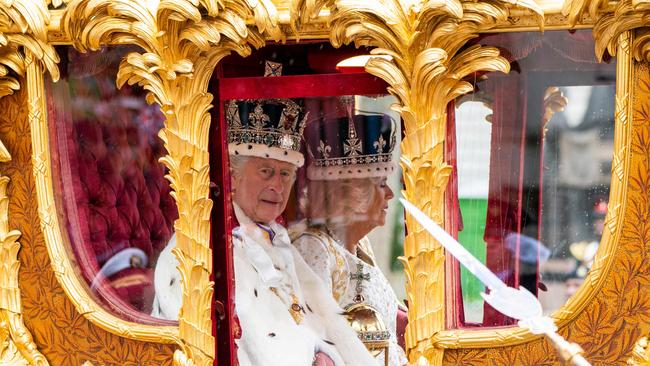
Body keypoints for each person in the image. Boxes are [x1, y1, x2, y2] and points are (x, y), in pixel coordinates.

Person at [152, 98, 375, 366]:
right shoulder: (200, 248)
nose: (278, 187)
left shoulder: (276, 238)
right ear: (233, 176)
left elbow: (311, 323)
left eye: (286, 174)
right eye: (267, 172)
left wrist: (325, 353)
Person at [291, 112, 407, 366]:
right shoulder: (314, 247)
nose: (389, 194)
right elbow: (313, 342)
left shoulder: (360, 246)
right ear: (352, 192)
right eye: (380, 184)